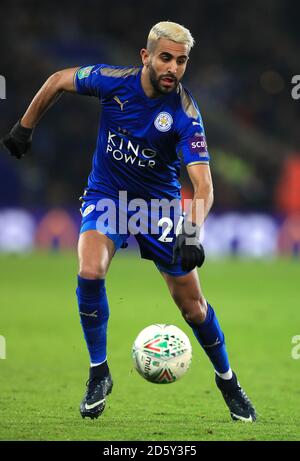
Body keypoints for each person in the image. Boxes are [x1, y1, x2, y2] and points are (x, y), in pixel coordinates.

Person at [1, 21, 256, 422]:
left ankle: (228, 381)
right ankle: (99, 373)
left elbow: (203, 185)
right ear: (146, 56)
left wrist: (190, 231)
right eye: (166, 58)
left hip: (160, 211)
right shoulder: (112, 81)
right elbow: (56, 80)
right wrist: (24, 127)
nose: (173, 67)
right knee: (89, 269)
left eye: (182, 61)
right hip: (108, 198)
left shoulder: (186, 114)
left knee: (193, 308)